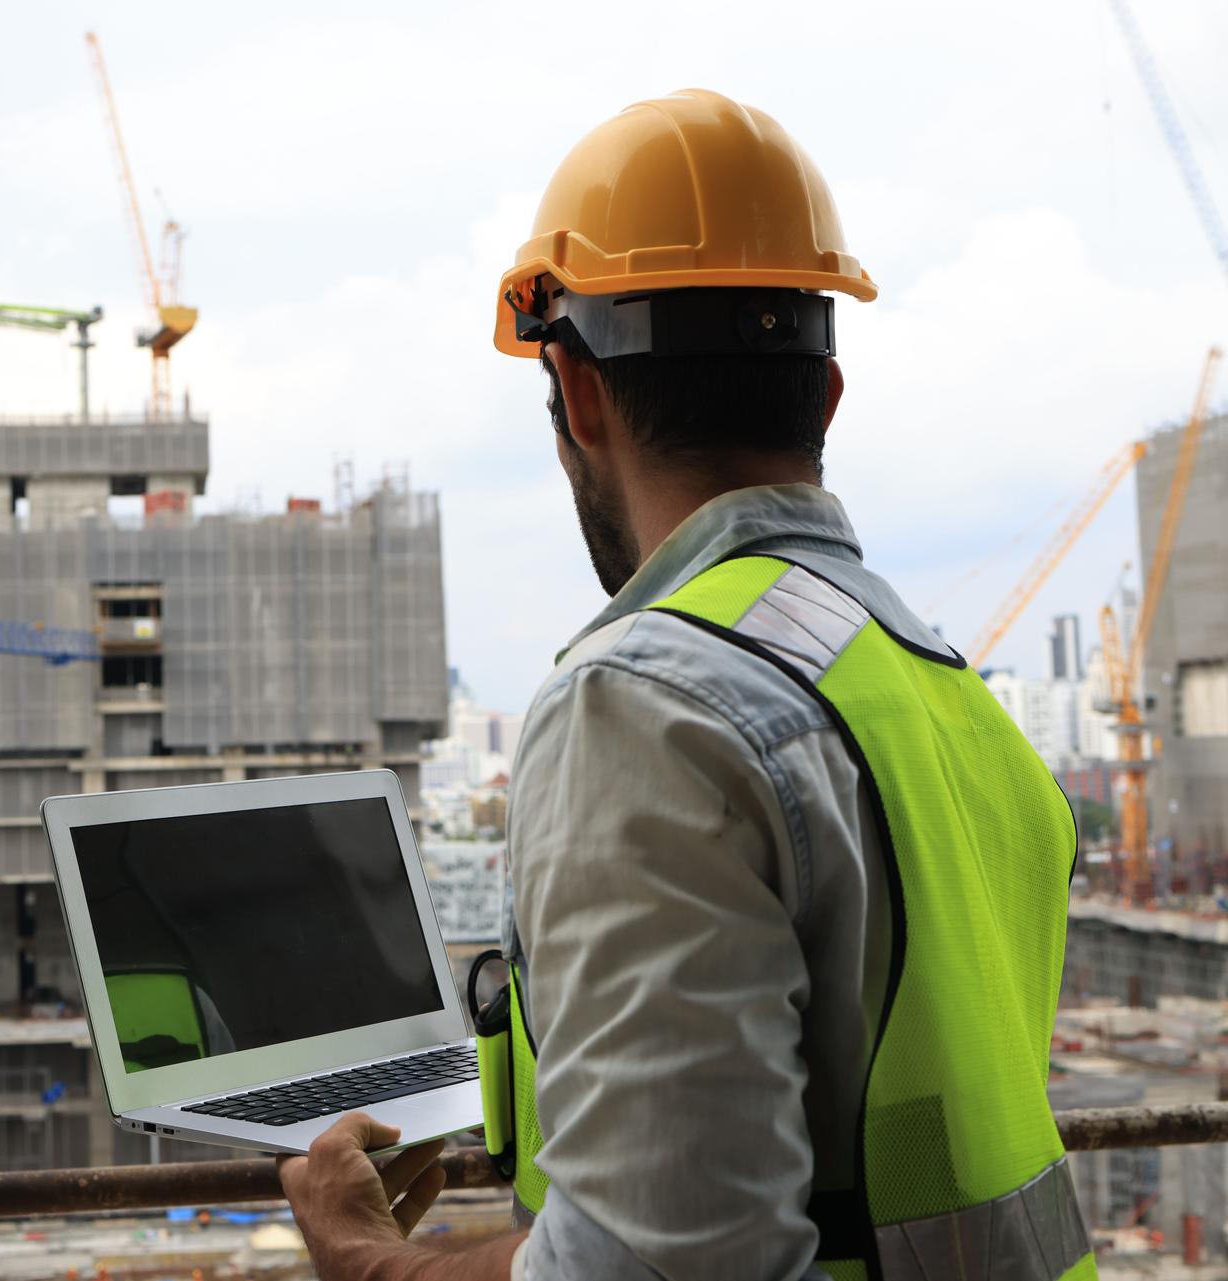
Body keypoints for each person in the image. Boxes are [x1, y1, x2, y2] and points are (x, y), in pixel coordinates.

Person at [278, 88, 1093, 1280]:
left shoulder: (651, 705)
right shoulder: (939, 685)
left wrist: (367, 1258)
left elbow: (654, 1267)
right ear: (824, 396)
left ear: (584, 392)